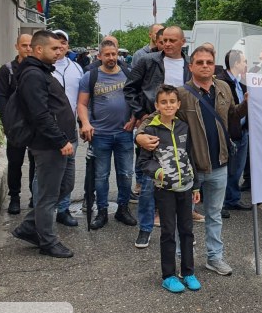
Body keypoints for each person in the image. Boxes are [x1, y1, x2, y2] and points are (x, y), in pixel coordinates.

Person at [137, 45, 247, 275]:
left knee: (214, 215)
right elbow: (155, 117)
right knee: (182, 218)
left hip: (219, 165)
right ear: (191, 67)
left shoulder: (224, 87)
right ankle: (179, 260)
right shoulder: (181, 94)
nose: (205, 66)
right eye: (200, 62)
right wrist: (139, 135)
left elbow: (232, 115)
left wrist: (246, 103)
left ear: (214, 65)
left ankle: (214, 258)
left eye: (209, 62)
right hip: (189, 169)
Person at [125, 26, 192, 248]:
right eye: (164, 40)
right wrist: (141, 113)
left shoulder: (190, 64)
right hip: (153, 123)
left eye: (173, 40)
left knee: (182, 176)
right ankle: (145, 229)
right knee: (148, 181)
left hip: (181, 125)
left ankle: (183, 232)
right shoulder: (148, 61)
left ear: (182, 41)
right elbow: (130, 88)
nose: (167, 44)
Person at [10, 30, 76, 258]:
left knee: (64, 187)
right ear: (39, 49)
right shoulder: (33, 75)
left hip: (60, 143)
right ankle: (48, 242)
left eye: (60, 48)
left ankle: (29, 226)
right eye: (54, 49)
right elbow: (40, 114)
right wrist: (60, 140)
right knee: (49, 195)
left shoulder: (41, 72)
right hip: (49, 145)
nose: (59, 52)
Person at [138, 85, 202, 293]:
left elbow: (190, 156)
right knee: (168, 232)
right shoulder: (150, 130)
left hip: (186, 188)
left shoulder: (183, 127)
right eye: (163, 102)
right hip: (164, 190)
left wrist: (196, 185)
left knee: (187, 231)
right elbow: (144, 162)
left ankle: (188, 271)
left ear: (178, 104)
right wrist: (157, 173)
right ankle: (168, 275)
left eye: (172, 101)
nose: (168, 105)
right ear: (156, 105)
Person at [77, 39, 137, 230]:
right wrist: (85, 123)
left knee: (126, 174)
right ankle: (102, 211)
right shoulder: (91, 76)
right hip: (100, 134)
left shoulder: (128, 74)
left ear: (118, 54)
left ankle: (122, 209)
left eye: (114, 54)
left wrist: (134, 119)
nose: (111, 58)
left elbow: (137, 99)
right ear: (100, 56)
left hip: (124, 133)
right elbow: (82, 104)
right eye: (107, 54)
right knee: (101, 176)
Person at [0, 33, 36, 214]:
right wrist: (7, 124)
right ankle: (14, 197)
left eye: (30, 46)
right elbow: (1, 98)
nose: (28, 49)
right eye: (24, 45)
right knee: (15, 162)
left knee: (36, 161)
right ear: (17, 47)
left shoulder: (38, 68)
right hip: (15, 126)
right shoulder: (7, 70)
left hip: (35, 124)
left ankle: (35, 196)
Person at [50, 30, 84, 227]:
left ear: (68, 46)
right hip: (48, 130)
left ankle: (63, 210)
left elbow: (82, 100)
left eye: (63, 43)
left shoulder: (76, 69)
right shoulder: (44, 68)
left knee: (68, 176)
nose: (60, 47)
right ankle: (41, 213)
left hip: (70, 129)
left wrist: (82, 123)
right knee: (47, 175)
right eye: (55, 43)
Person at [218, 49, 251, 214]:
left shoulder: (241, 81)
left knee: (236, 170)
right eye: (244, 61)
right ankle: (222, 203)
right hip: (230, 134)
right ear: (236, 63)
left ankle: (233, 199)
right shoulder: (222, 82)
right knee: (226, 170)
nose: (246, 64)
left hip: (242, 131)